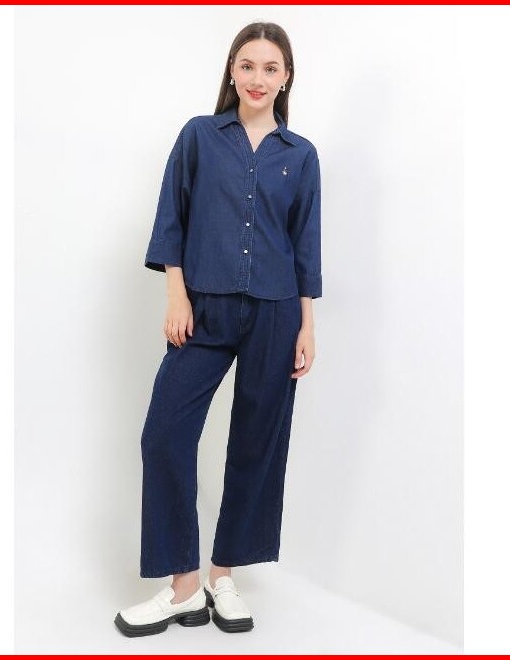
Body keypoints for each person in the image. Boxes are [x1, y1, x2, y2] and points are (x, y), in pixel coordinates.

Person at [114, 20, 322, 638]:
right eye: (248, 65)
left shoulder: (300, 155)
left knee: (257, 442)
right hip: (202, 309)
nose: (258, 78)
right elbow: (171, 218)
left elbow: (305, 245)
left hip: (277, 313)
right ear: (232, 70)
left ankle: (223, 575)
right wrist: (175, 294)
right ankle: (182, 586)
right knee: (164, 434)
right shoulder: (200, 136)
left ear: (286, 78)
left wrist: (307, 325)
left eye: (271, 68)